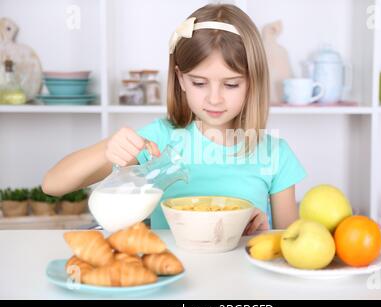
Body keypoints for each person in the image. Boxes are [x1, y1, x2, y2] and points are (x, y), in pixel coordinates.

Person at [42, 4, 306, 235]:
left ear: (252, 83)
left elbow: (290, 246)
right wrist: (108, 148)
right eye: (199, 83)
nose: (215, 99)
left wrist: (263, 235)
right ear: (180, 79)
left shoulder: (275, 154)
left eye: (231, 84)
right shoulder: (157, 141)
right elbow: (52, 184)